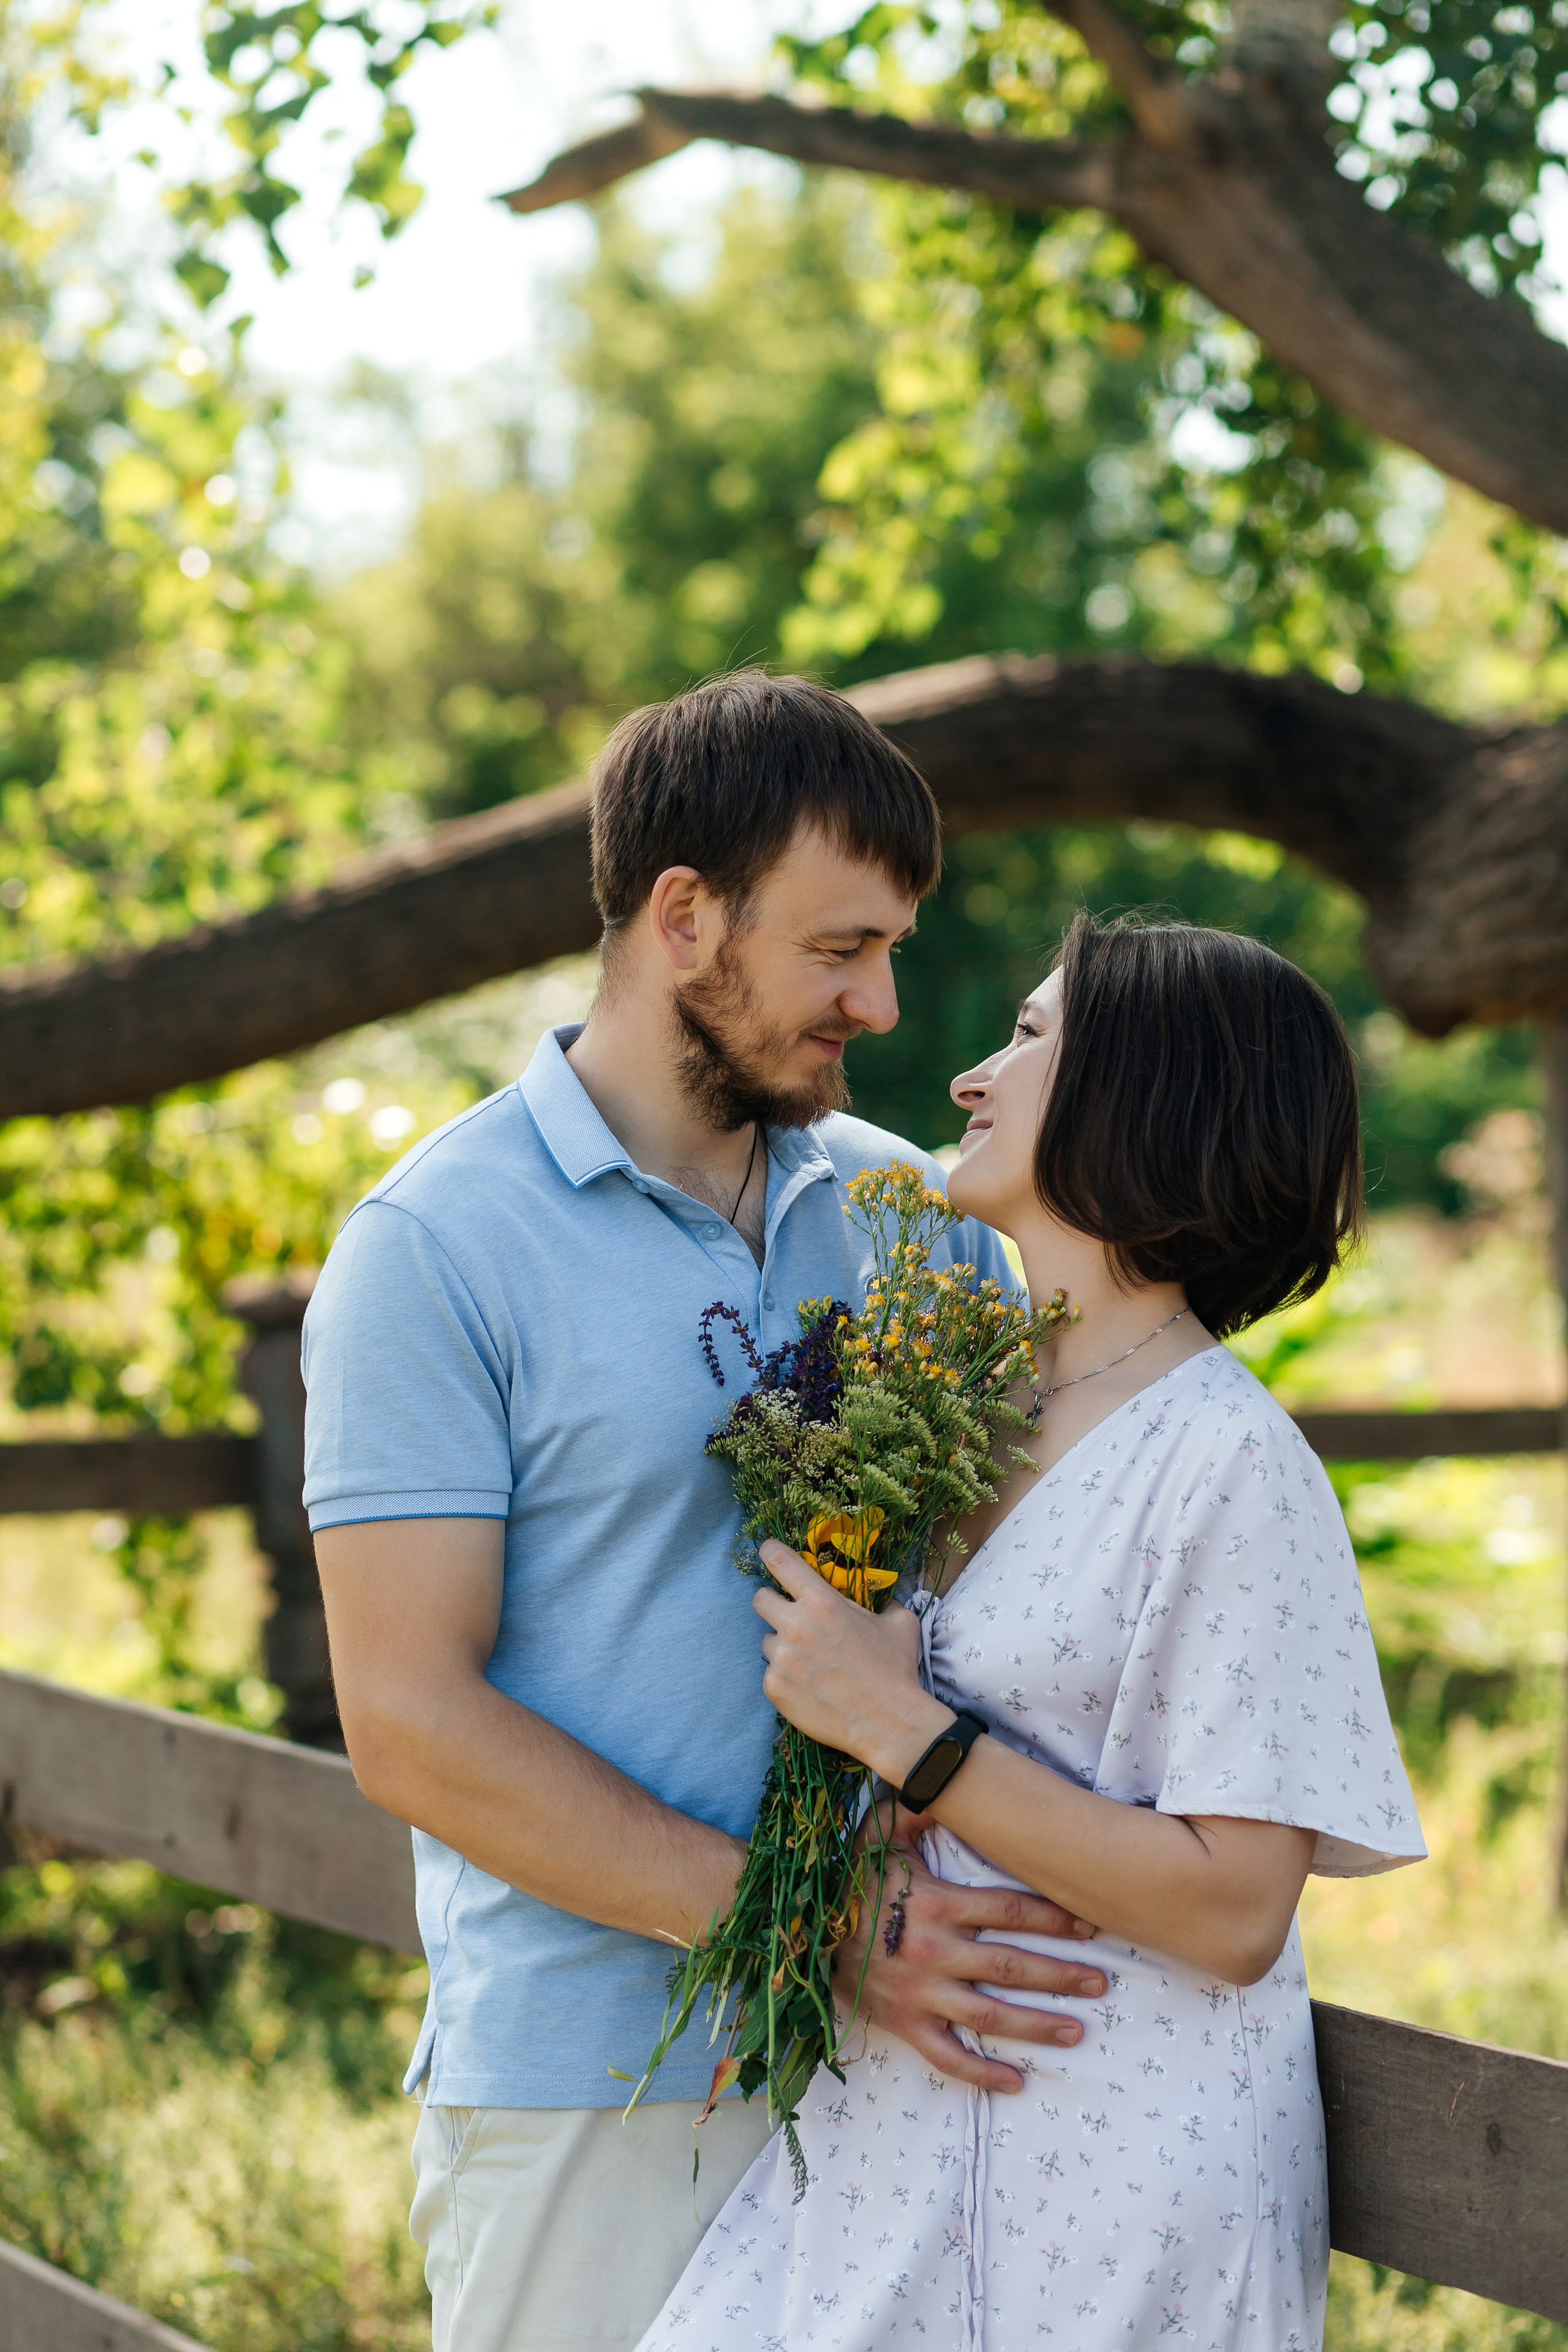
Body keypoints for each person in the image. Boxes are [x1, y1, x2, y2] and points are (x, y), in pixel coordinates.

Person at [301, 672, 1110, 2352]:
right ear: (685, 919)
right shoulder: (435, 1248)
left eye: (891, 948)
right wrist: (821, 1936)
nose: (884, 1003)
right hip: (599, 2087)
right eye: (838, 952)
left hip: (911, 2064)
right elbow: (409, 1722)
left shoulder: (918, 1222)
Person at [635, 914, 1427, 2352]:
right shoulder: (958, 1406)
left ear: (1148, 1092)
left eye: (1031, 1035)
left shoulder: (1228, 1464)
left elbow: (1236, 1911)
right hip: (901, 2122)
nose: (969, 1078)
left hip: (1115, 2169)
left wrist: (910, 1739)